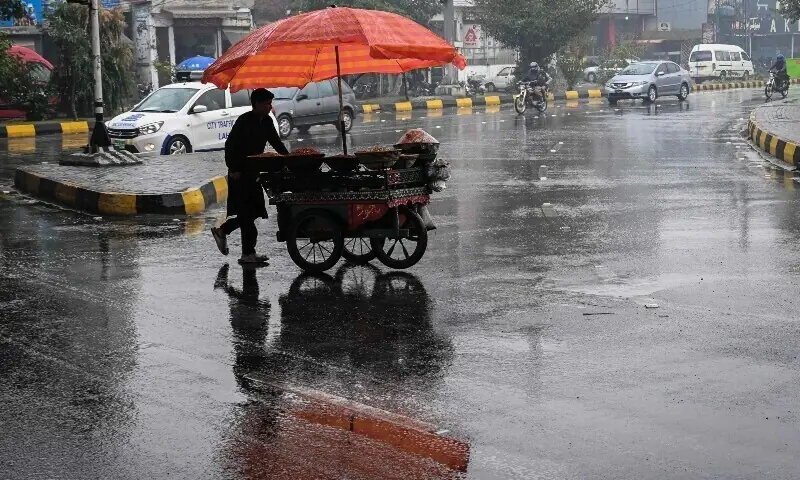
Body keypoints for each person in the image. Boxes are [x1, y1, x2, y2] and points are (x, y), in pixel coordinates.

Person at [211, 88, 289, 265]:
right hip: (239, 173)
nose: (270, 107)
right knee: (246, 214)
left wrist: (289, 159)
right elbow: (230, 146)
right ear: (257, 104)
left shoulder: (267, 122)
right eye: (267, 103)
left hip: (254, 173)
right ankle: (247, 253)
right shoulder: (244, 121)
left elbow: (276, 143)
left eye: (270, 103)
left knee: (254, 212)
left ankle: (223, 231)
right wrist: (233, 168)